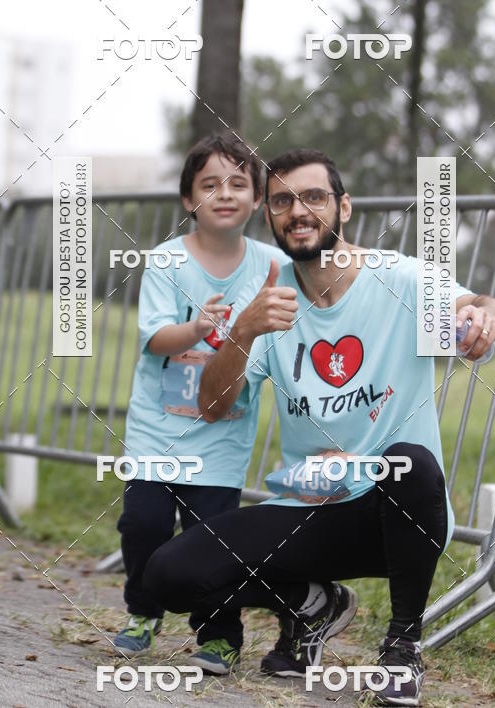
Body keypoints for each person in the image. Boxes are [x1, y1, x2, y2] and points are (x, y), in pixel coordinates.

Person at [141, 149, 495, 706]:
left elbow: (479, 304)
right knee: (166, 574)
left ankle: (402, 650)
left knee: (411, 460)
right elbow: (214, 406)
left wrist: (484, 319)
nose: (299, 211)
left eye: (314, 197)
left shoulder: (398, 279)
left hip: (396, 510)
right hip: (307, 509)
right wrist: (242, 331)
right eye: (284, 200)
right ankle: (312, 604)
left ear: (343, 207)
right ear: (271, 216)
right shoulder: (264, 299)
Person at [113, 133, 288, 675]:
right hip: (156, 431)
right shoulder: (166, 261)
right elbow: (154, 339)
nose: (225, 193)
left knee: (212, 540)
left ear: (257, 199)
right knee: (143, 523)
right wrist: (196, 326)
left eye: (238, 183)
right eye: (209, 184)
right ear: (189, 199)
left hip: (223, 435)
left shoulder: (272, 264)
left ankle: (219, 634)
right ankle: (143, 610)